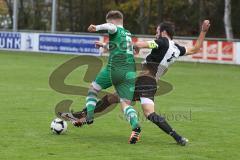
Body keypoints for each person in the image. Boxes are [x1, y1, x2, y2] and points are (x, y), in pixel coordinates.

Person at [61, 20, 210, 146]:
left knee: (111, 98)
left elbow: (143, 44)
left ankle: (81, 116)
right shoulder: (177, 48)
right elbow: (195, 49)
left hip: (142, 79)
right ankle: (178, 137)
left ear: (164, 32)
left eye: (157, 31)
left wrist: (132, 47)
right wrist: (203, 31)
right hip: (152, 84)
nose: (156, 33)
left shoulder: (161, 41)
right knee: (149, 113)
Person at [61, 10, 141, 144]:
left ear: (111, 21)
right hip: (130, 71)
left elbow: (111, 27)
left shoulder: (113, 27)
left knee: (93, 89)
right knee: (125, 104)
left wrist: (96, 27)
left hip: (115, 68)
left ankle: (90, 116)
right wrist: (104, 45)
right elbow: (120, 47)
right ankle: (135, 126)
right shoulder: (127, 33)